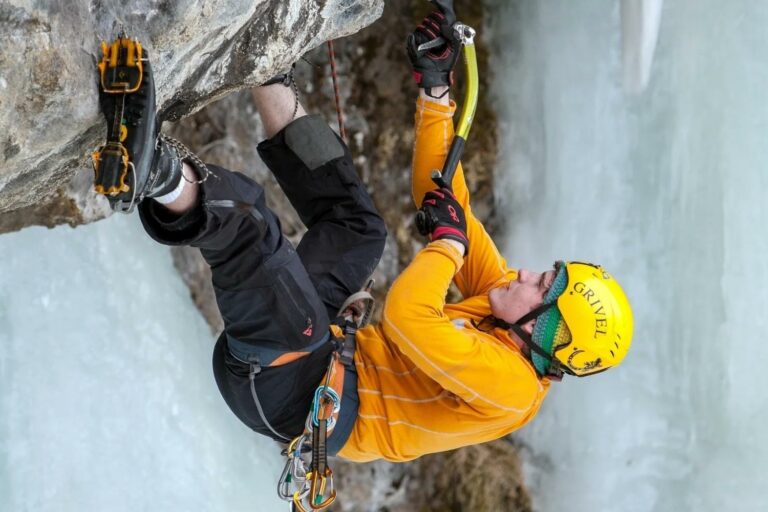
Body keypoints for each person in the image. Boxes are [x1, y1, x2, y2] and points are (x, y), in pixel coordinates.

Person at [92, 6, 632, 466]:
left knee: (254, 226)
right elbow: (443, 197)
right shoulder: (502, 304)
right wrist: (437, 91)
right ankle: (266, 71)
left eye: (543, 287)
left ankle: (157, 174)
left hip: (291, 394)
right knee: (359, 229)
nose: (527, 274)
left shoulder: (510, 388)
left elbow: (408, 317)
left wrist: (448, 246)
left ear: (545, 330)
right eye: (545, 274)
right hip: (317, 353)